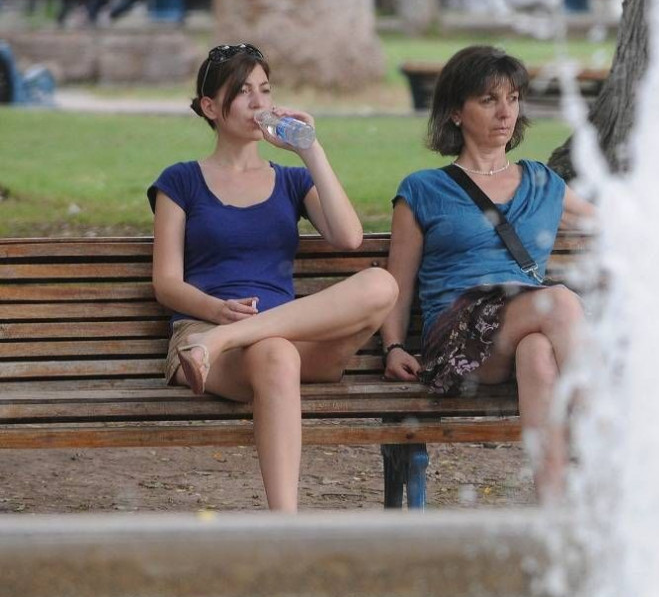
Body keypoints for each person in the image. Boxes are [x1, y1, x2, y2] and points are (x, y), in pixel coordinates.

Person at [148, 42, 398, 512]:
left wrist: (311, 148)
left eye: (265, 90)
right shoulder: (180, 181)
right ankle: (286, 526)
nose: (259, 103)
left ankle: (231, 339)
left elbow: (349, 238)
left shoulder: (290, 180)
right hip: (207, 339)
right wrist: (216, 315)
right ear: (209, 107)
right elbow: (167, 282)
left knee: (381, 284)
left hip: (291, 337)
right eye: (242, 92)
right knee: (277, 354)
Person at [380, 45, 595, 502]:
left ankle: (554, 512)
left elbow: (619, 224)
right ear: (456, 112)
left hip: (522, 330)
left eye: (513, 99)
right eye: (488, 100)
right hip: (457, 336)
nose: (505, 113)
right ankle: (607, 440)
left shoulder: (543, 182)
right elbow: (398, 281)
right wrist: (394, 344)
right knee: (558, 300)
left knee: (539, 353)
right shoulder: (423, 189)